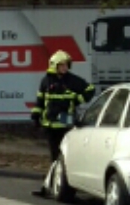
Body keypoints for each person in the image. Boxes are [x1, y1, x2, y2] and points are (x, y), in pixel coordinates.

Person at [31, 49, 95, 196]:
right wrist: (36, 116)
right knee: (55, 158)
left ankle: (59, 188)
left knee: (63, 158)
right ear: (54, 65)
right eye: (62, 65)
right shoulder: (46, 81)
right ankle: (51, 187)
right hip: (50, 126)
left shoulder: (72, 81)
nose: (65, 68)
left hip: (66, 127)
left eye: (66, 65)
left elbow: (90, 90)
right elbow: (40, 101)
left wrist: (77, 99)